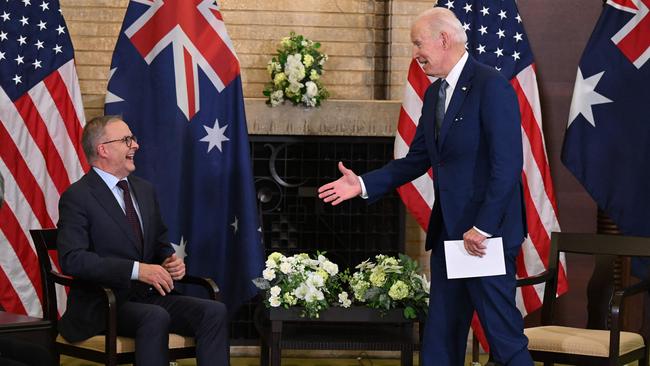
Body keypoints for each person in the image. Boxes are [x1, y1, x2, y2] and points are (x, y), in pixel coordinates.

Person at [318, 8, 532, 366]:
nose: (416, 52)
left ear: (444, 39)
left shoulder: (490, 84)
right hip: (451, 233)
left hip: (483, 237)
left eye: (419, 43)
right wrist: (364, 184)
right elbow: (417, 159)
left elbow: (507, 166)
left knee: (503, 337)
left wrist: (483, 227)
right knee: (441, 336)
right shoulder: (435, 95)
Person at [56, 115, 229, 366]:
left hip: (148, 297)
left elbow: (158, 241)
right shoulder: (78, 196)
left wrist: (170, 260)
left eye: (133, 139)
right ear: (103, 149)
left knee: (214, 311)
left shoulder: (144, 189)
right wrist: (137, 271)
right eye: (127, 140)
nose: (135, 145)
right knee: (154, 316)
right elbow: (73, 260)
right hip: (105, 302)